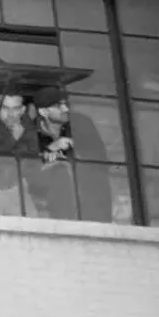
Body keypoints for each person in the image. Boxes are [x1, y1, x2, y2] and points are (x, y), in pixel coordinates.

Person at [28, 85, 110, 222]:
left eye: (66, 104)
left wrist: (70, 157)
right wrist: (50, 150)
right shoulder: (30, 132)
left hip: (91, 204)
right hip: (54, 208)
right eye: (58, 106)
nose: (66, 109)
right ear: (43, 111)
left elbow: (101, 161)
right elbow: (28, 172)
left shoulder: (81, 124)